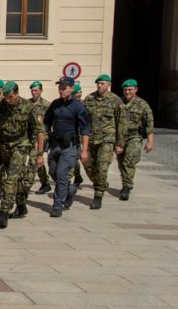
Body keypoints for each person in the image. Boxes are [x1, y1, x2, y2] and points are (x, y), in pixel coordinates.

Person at [0, 81, 45, 228]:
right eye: (5, 97)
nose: (7, 99)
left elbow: (39, 131)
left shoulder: (29, 107)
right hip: (4, 146)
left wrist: (40, 154)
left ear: (17, 93)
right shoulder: (1, 106)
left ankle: (3, 212)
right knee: (17, 179)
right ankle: (22, 205)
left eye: (10, 96)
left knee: (11, 178)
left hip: (21, 145)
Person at [43, 76, 90, 218]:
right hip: (55, 145)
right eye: (60, 88)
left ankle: (57, 205)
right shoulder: (55, 104)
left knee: (62, 174)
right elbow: (46, 123)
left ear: (71, 88)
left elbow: (85, 129)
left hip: (69, 146)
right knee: (53, 172)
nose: (61, 90)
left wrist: (84, 150)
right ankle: (69, 190)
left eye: (64, 88)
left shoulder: (78, 106)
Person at [83, 74, 124, 210]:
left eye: (102, 83)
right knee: (89, 166)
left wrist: (120, 143)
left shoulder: (116, 100)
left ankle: (98, 195)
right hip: (91, 138)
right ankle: (100, 183)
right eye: (98, 83)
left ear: (108, 84)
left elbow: (121, 122)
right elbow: (82, 119)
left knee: (102, 167)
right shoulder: (89, 99)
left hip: (107, 139)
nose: (100, 86)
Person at [115, 79, 154, 201]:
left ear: (135, 89)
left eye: (130, 89)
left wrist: (150, 141)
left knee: (129, 160)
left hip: (134, 137)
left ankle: (127, 186)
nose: (127, 92)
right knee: (121, 162)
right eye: (125, 90)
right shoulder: (118, 102)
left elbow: (149, 123)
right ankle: (125, 182)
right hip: (120, 137)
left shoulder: (142, 104)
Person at [28, 81, 52, 195]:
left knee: (33, 160)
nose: (34, 93)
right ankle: (45, 183)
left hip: (41, 137)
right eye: (32, 90)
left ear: (41, 91)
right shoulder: (27, 104)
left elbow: (50, 123)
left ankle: (26, 186)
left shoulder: (47, 105)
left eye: (36, 90)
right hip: (29, 137)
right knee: (38, 161)